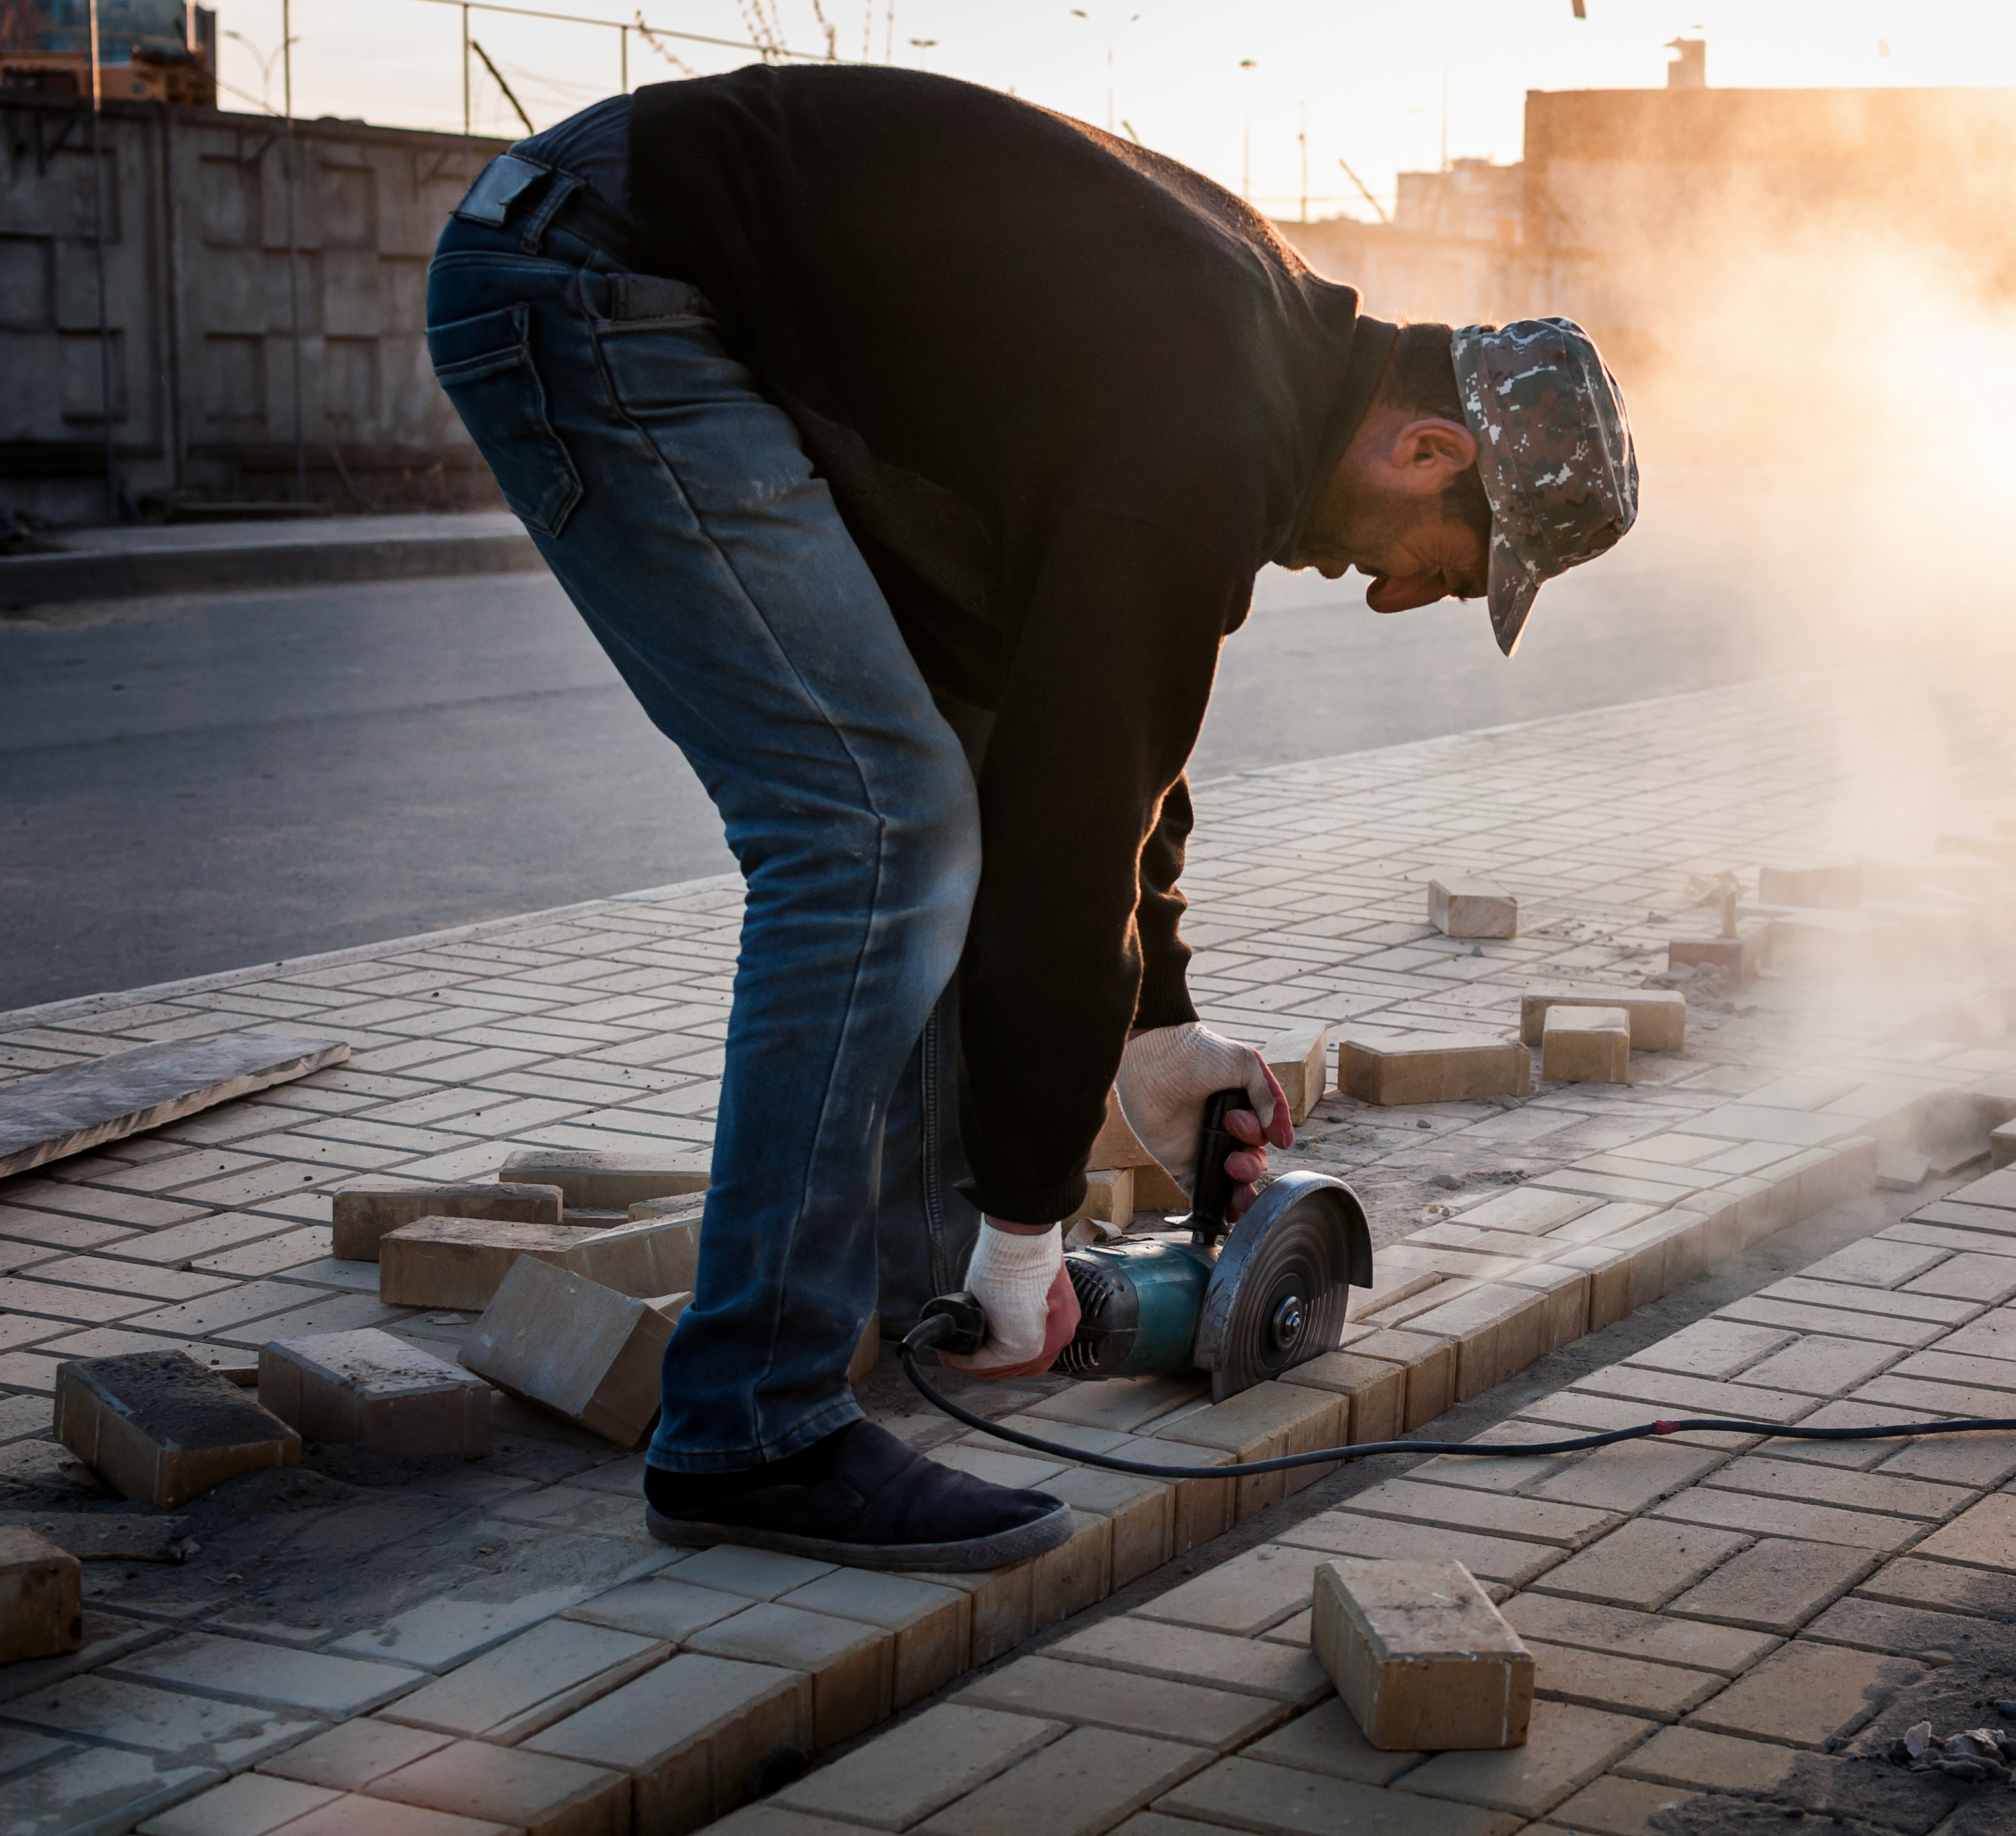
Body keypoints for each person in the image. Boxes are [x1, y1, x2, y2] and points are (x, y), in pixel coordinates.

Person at [425, 63, 1638, 1572]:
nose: (1398, 593)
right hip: (599, 282)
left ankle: (871, 1325)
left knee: (951, 773)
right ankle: (755, 1422)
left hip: (619, 252)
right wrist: (1025, 1227)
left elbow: (1091, 735)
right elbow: (1073, 847)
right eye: (1447, 568)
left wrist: (1162, 1021)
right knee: (876, 833)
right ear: (1430, 452)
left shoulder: (1247, 354)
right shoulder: (1201, 420)